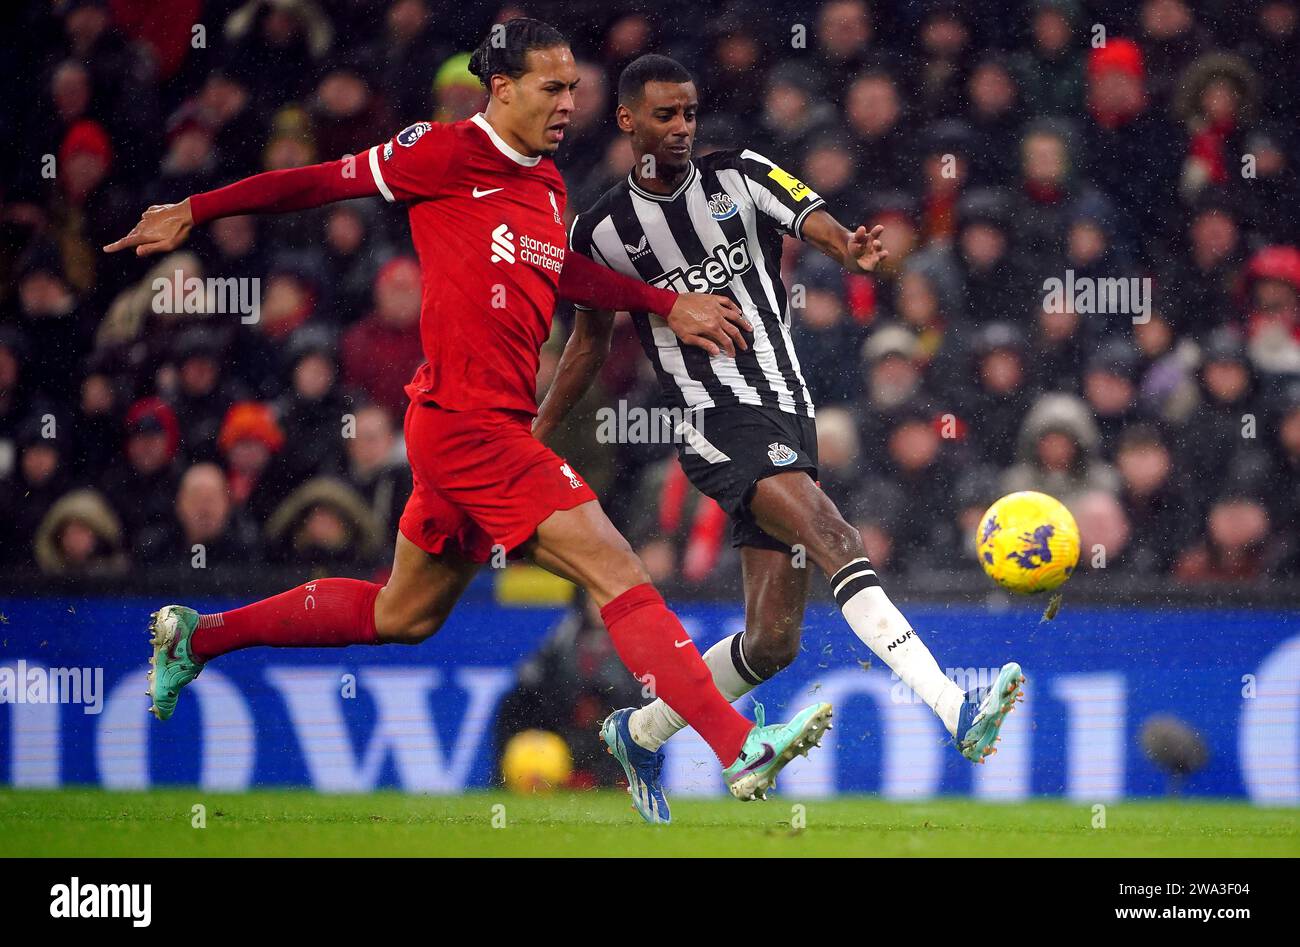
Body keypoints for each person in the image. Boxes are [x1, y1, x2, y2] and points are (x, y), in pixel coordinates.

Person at [102, 19, 831, 810]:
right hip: (464, 424)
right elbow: (318, 181)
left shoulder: (548, 185)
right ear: (503, 88)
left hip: (478, 428)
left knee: (402, 613)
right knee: (616, 567)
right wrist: (196, 209)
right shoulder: (440, 154)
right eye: (552, 90)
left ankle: (197, 635)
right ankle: (737, 745)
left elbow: (568, 275)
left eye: (574, 91)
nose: (567, 105)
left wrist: (663, 303)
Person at [540, 54, 1024, 825]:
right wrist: (537, 433)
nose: (682, 128)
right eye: (665, 115)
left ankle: (637, 732)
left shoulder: (739, 175)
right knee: (837, 532)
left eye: (690, 113)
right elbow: (588, 344)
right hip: (714, 420)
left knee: (772, 642)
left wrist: (849, 248)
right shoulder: (600, 229)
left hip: (787, 411)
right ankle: (953, 707)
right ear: (628, 121)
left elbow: (817, 222)